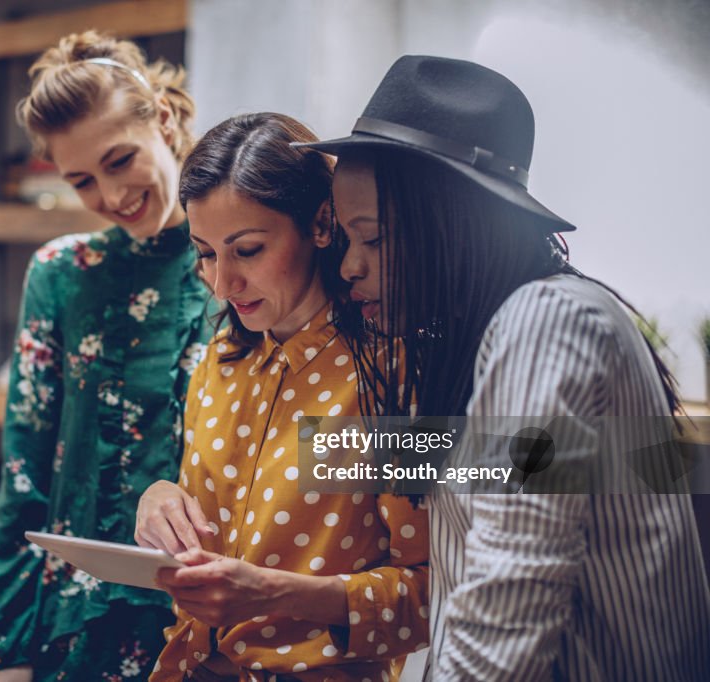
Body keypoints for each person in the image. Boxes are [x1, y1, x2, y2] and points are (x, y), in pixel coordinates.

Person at [304, 55, 710, 679]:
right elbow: (344, 459)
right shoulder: (481, 338)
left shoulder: (545, 322)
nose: (350, 267)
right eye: (346, 242)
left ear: (451, 223)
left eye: (374, 238)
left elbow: (508, 604)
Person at [135, 112, 429, 681]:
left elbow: (429, 595)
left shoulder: (391, 373)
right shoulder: (220, 359)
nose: (222, 283)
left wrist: (282, 595)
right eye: (205, 252)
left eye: (246, 250)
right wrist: (159, 496)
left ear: (321, 225)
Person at [0, 31, 212, 681]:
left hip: (208, 617)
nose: (109, 196)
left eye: (120, 159)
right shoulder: (60, 273)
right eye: (81, 179)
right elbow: (23, 476)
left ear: (162, 117)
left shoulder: (241, 259)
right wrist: (4, 650)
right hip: (72, 627)